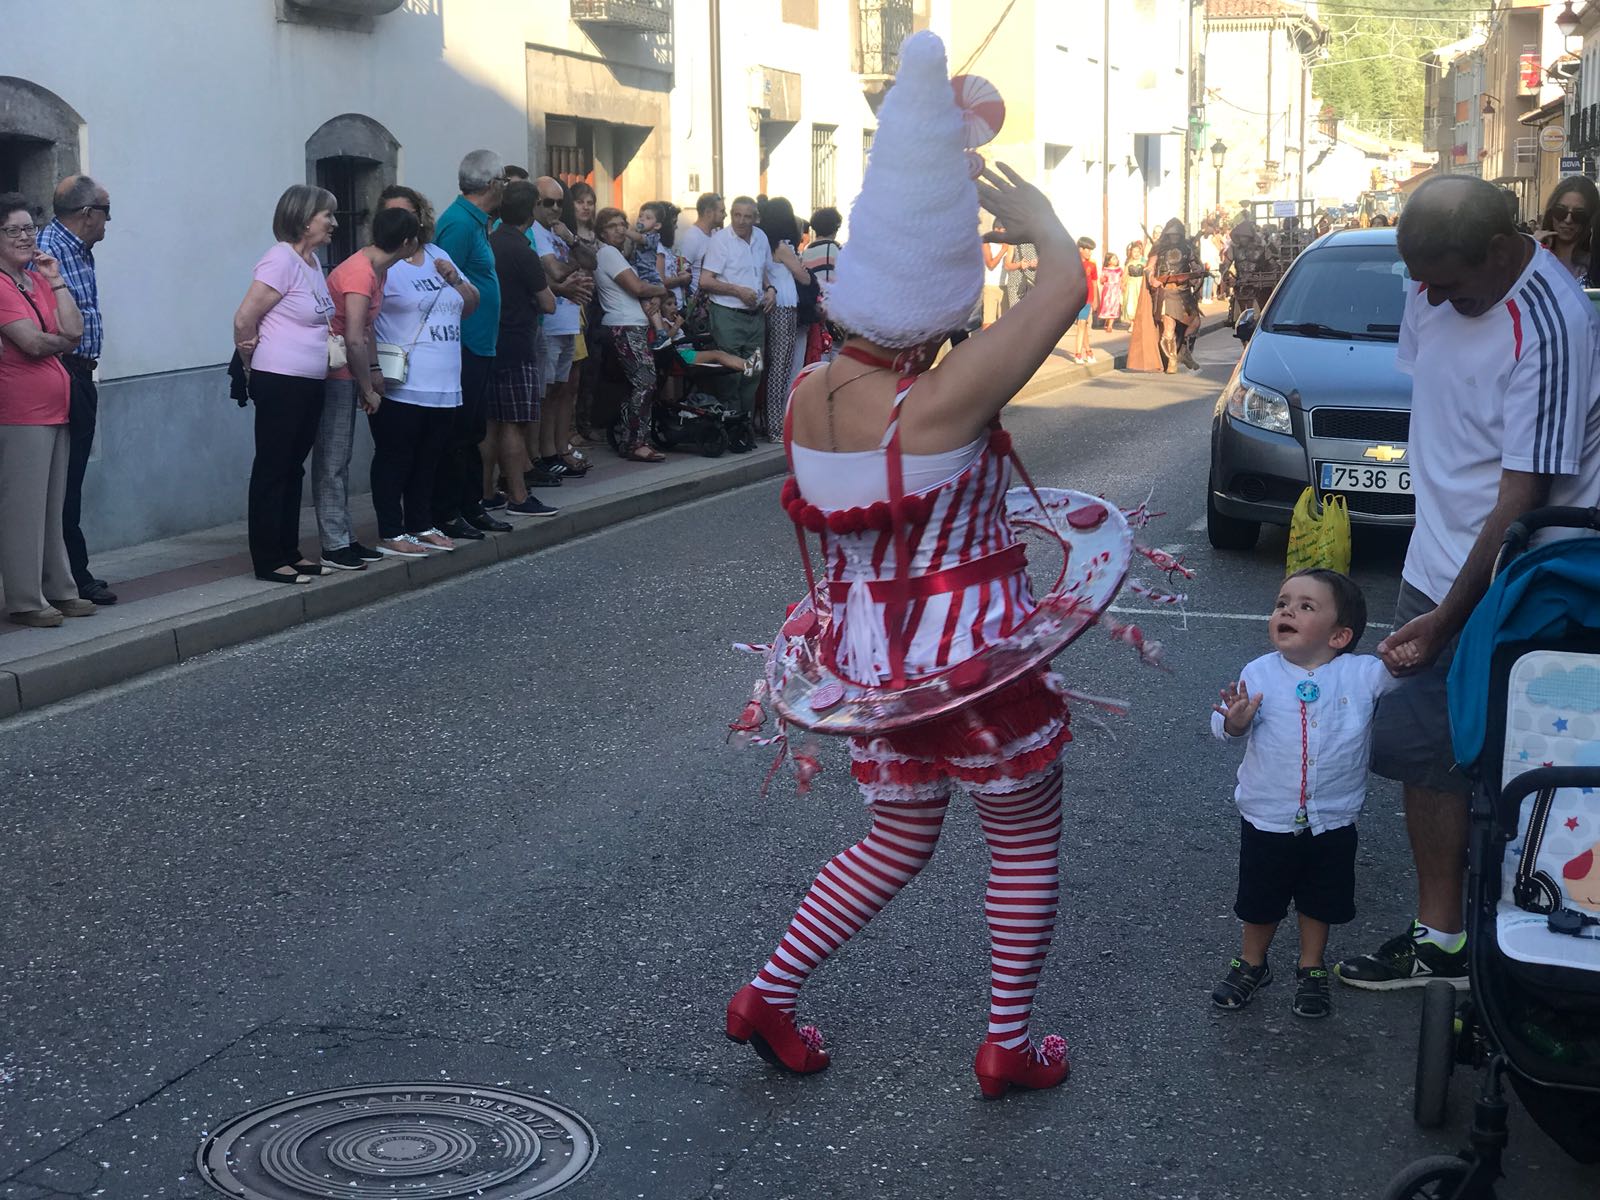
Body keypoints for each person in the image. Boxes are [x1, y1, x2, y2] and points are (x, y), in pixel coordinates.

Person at [725, 31, 1090, 1098]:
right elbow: (1062, 290)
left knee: (896, 834)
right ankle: (1006, 1043)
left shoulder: (806, 391)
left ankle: (770, 992)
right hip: (974, 661)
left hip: (871, 663)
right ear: (939, 304)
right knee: (1022, 841)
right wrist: (1042, 229)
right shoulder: (941, 396)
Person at [1334, 175, 1600, 992]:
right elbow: (1442, 412)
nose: (1432, 297)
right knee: (1426, 752)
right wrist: (1429, 574)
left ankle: (1539, 924)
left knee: (1525, 760)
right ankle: (1441, 939)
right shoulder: (1433, 287)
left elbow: (1524, 499)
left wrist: (1451, 618)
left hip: (1526, 577)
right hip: (1436, 557)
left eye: (1448, 282)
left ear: (1498, 250)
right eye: (1422, 281)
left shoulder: (1553, 322)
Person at [1210, 570, 1399, 1019]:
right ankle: (1253, 962)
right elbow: (1224, 726)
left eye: (1305, 606)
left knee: (1321, 898)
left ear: (1340, 635)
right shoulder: (1259, 672)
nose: (1286, 610)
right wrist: (1234, 722)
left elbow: (1402, 676)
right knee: (1260, 897)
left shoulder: (1363, 674)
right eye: (1282, 602)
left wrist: (1407, 653)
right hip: (1267, 815)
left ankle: (1311, 966)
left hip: (1332, 816)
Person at [233, 185, 341, 585]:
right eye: (326, 215)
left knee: (293, 467)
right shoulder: (279, 260)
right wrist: (250, 366)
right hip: (279, 379)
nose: (333, 222)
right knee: (273, 468)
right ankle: (267, 558)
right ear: (303, 218)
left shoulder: (311, 263)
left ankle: (289, 550)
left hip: (309, 380)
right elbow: (245, 318)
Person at [0, 192, 97, 628]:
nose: (24, 237)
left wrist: (56, 279)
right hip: (19, 413)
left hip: (56, 409)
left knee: (52, 508)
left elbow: (75, 330)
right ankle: (24, 599)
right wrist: (60, 343)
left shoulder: (36, 279)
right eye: (13, 230)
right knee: (23, 509)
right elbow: (34, 342)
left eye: (29, 228)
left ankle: (59, 590)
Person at [368, 186, 479, 557]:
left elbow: (470, 305)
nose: (402, 222)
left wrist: (456, 280)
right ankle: (390, 530)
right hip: (403, 383)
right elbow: (362, 318)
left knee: (430, 458)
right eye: (391, 214)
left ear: (421, 217)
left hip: (445, 382)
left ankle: (421, 523)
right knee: (395, 457)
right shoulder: (379, 263)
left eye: (408, 213)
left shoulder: (437, 254)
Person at [315, 206, 417, 570]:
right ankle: (334, 543)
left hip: (350, 369)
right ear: (406, 243)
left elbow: (367, 332)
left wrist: (374, 370)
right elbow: (354, 337)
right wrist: (366, 386)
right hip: (337, 373)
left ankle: (344, 537)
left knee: (338, 459)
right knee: (333, 459)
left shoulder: (377, 269)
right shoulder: (361, 273)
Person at [37, 175, 115, 605]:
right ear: (87, 214)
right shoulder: (47, 252)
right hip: (60, 372)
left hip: (81, 375)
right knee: (61, 485)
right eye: (106, 212)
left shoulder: (79, 250)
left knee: (71, 482)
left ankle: (67, 574)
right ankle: (69, 578)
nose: (108, 222)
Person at [431, 149, 509, 542]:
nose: (506, 188)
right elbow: (443, 285)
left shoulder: (476, 222)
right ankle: (450, 510)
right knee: (460, 432)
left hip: (480, 342)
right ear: (493, 184)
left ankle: (471, 505)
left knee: (473, 429)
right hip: (463, 344)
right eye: (504, 182)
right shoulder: (459, 225)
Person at [486, 179, 558, 518]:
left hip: (489, 342)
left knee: (490, 423)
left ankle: (486, 492)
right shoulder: (522, 250)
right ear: (531, 211)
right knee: (514, 423)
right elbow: (548, 304)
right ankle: (517, 494)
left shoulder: (489, 242)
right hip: (517, 342)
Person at [529, 176, 596, 485]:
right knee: (544, 394)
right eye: (548, 203)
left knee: (562, 390)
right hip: (549, 322)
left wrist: (571, 241)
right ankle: (540, 455)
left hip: (569, 319)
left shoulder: (560, 232)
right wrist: (569, 276)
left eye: (559, 203)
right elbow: (555, 271)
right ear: (535, 203)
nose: (555, 209)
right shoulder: (535, 232)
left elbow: (591, 261)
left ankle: (557, 449)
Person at [593, 205, 670, 462]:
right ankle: (634, 441)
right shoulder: (608, 254)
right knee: (645, 382)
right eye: (612, 226)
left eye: (622, 225)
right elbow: (637, 287)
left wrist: (655, 294)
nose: (619, 230)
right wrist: (660, 290)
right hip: (624, 325)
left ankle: (634, 435)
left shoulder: (620, 255)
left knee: (641, 384)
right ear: (602, 233)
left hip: (633, 323)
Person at [700, 196, 775, 449]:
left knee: (753, 371)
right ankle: (732, 431)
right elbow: (705, 280)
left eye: (747, 216)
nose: (741, 221)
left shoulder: (761, 237)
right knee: (730, 375)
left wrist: (770, 288)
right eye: (736, 215)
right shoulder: (721, 240)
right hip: (728, 314)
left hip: (755, 316)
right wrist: (737, 291)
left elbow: (762, 270)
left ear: (755, 217)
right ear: (731, 215)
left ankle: (744, 428)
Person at [758, 196, 811, 438]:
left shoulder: (763, 243)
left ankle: (770, 422)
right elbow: (803, 277)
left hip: (773, 305)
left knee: (772, 366)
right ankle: (776, 426)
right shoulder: (781, 246)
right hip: (784, 307)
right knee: (780, 367)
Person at [658, 291, 760, 373]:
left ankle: (745, 364)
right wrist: (677, 325)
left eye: (675, 304)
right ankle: (746, 365)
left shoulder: (674, 322)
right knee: (717, 355)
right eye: (669, 304)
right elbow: (666, 339)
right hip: (682, 355)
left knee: (719, 353)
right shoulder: (664, 322)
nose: (674, 307)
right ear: (661, 307)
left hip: (688, 351)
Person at [1149, 219, 1202, 373]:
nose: (1174, 238)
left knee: (1195, 322)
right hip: (1167, 291)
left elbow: (1196, 266)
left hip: (1184, 291)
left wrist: (1196, 276)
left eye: (1177, 235)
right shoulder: (1158, 248)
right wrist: (1152, 279)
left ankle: (1183, 351)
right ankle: (1171, 360)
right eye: (1172, 235)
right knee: (1169, 328)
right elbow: (1149, 268)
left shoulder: (1187, 248)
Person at [1533, 174, 1599, 287]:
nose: (1568, 220)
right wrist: (1533, 250)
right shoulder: (1533, 251)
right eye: (1560, 211)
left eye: (1578, 214)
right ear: (1551, 212)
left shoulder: (1594, 262)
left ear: (1590, 217)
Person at [800, 206, 843, 362]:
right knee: (837, 353)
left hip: (815, 311)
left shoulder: (806, 251)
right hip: (834, 312)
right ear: (835, 228)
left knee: (820, 354)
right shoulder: (837, 249)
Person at [677, 192, 724, 296]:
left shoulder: (715, 234)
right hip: (697, 303)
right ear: (708, 213)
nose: (725, 215)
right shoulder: (692, 237)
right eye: (722, 211)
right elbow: (681, 269)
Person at [1070, 236, 1097, 363]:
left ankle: (1078, 354)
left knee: (1081, 324)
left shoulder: (1092, 265)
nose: (1090, 252)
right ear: (1080, 249)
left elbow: (1094, 282)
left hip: (1087, 298)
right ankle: (1089, 351)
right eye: (1088, 249)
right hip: (1076, 298)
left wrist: (1096, 299)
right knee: (1083, 325)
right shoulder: (1073, 264)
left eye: (1091, 250)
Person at [1123, 237, 1146, 331]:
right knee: (1131, 304)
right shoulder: (1129, 263)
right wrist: (1123, 284)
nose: (1136, 254)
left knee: (1140, 303)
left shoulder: (1143, 262)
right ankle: (1132, 323)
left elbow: (1147, 272)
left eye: (1138, 251)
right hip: (1131, 284)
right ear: (1131, 252)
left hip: (1140, 283)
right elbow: (1125, 274)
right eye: (1134, 251)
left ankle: (1140, 323)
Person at [1097, 251, 1123, 331]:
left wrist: (1122, 287)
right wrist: (1103, 279)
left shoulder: (1119, 270)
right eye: (1113, 259)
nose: (1116, 260)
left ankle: (1110, 325)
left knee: (1114, 306)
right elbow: (1101, 281)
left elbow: (1122, 279)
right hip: (1107, 290)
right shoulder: (1105, 270)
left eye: (1116, 259)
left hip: (1116, 290)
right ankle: (1107, 321)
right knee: (1107, 305)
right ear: (1108, 261)